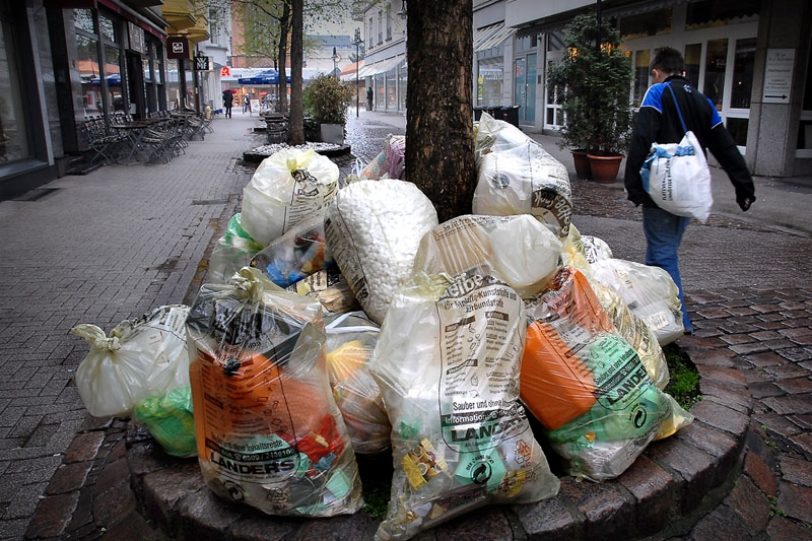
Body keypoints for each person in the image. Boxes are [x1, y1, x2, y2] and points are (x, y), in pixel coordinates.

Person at [625, 47, 756, 336]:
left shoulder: (657, 93)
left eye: (654, 75)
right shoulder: (703, 100)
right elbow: (725, 145)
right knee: (662, 251)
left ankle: (677, 322)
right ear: (683, 71)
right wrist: (743, 185)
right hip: (688, 192)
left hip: (661, 189)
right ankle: (653, 313)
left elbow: (642, 138)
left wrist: (633, 185)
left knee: (662, 254)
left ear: (657, 72)